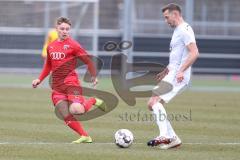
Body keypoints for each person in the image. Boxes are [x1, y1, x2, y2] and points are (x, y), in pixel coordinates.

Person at [32, 17, 106, 144]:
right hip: (57, 87)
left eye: (67, 29)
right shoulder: (51, 47)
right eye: (62, 29)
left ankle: (93, 100)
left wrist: (93, 75)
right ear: (57, 29)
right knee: (65, 114)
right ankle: (85, 136)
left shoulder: (73, 45)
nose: (65, 31)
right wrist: (39, 79)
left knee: (77, 110)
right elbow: (48, 65)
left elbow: (88, 60)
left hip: (72, 83)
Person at [147, 3, 199, 149]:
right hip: (172, 73)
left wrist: (181, 71)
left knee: (155, 102)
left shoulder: (185, 29)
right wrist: (166, 70)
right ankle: (173, 138)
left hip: (178, 76)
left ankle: (165, 136)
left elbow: (194, 52)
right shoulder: (177, 30)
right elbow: (177, 57)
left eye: (166, 17)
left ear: (175, 14)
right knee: (152, 104)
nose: (166, 21)